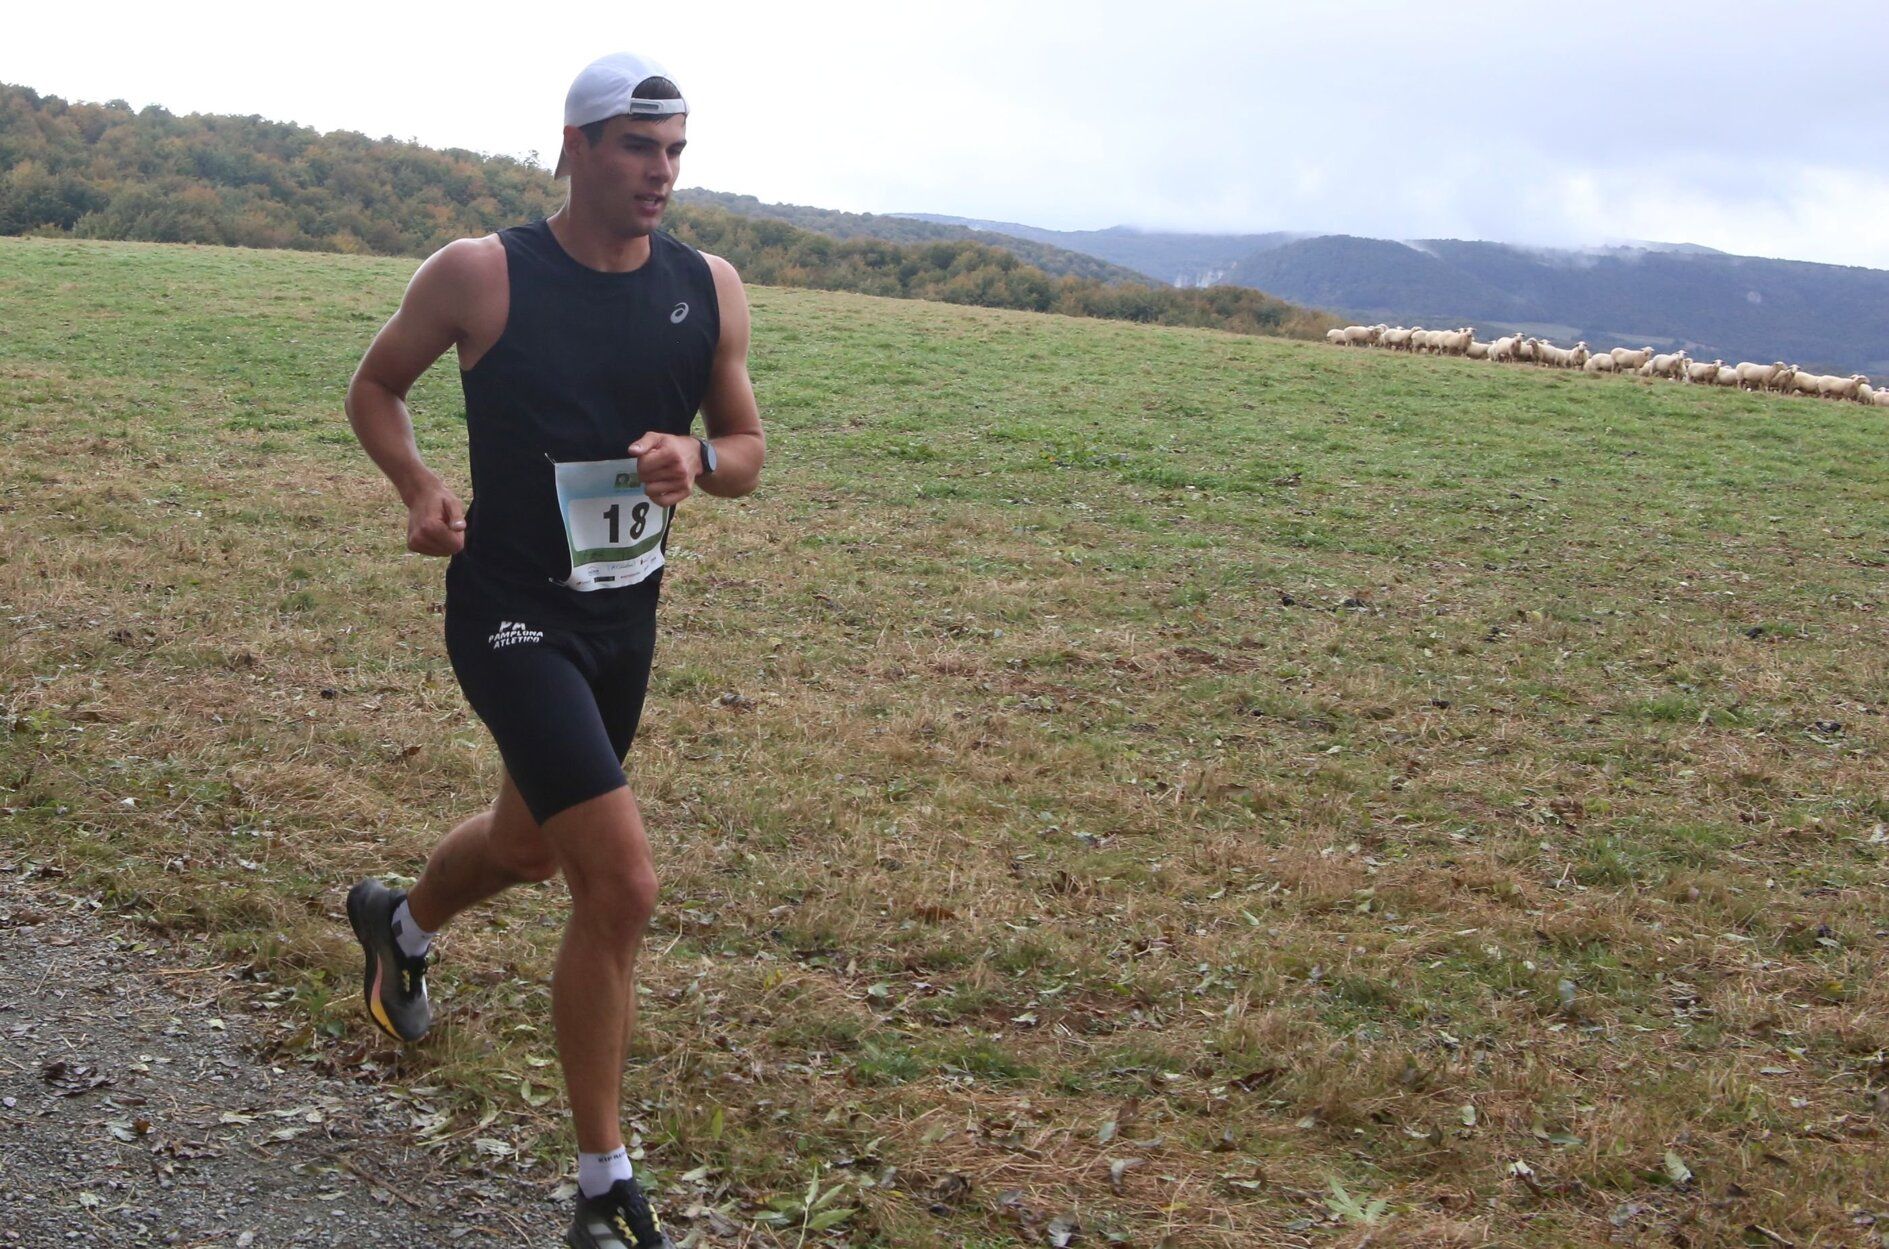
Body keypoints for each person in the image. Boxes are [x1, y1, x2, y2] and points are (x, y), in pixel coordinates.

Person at [342, 51, 763, 1249]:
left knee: (528, 846)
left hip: (622, 619)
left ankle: (399, 926)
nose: (661, 174)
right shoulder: (482, 275)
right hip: (509, 612)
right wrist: (418, 485)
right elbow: (376, 387)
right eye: (638, 149)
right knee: (619, 883)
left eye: (675, 152)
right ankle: (600, 1184)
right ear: (575, 146)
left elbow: (744, 448)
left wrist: (701, 461)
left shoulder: (708, 286)